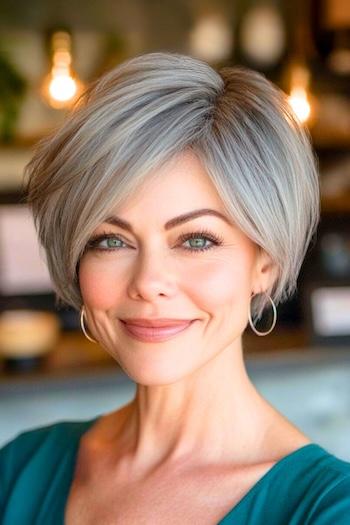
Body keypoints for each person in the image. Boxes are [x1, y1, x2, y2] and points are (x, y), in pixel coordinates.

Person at [0, 51, 349, 525]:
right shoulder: (19, 471)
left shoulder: (328, 510)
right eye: (111, 240)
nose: (148, 283)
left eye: (196, 240)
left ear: (264, 264)